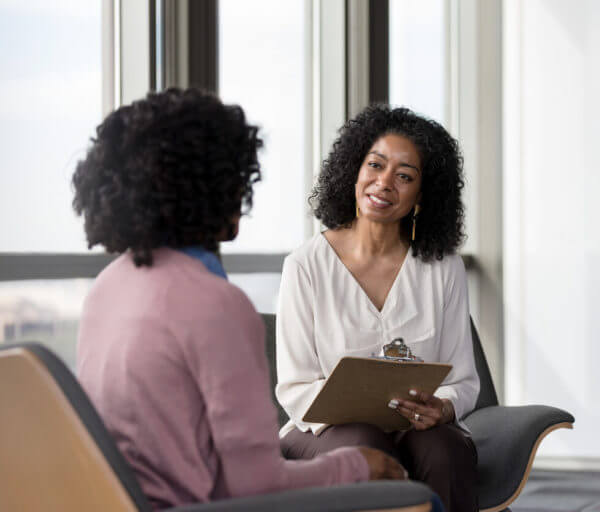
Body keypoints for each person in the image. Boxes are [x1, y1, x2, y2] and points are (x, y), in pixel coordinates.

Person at [72, 88, 405, 510]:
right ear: (224, 189)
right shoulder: (216, 306)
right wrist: (358, 465)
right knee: (417, 498)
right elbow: (257, 487)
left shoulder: (106, 290)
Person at [276, 105, 480, 512]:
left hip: (414, 428)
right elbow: (294, 386)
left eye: (404, 176)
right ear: (354, 170)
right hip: (323, 432)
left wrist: (442, 406)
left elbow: (463, 380)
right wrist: (349, 409)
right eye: (375, 165)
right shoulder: (306, 265)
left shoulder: (443, 268)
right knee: (362, 446)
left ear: (422, 196)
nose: (384, 183)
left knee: (444, 448)